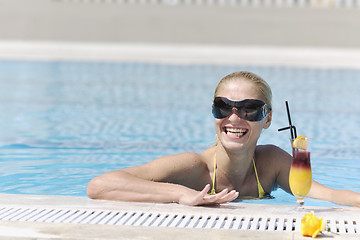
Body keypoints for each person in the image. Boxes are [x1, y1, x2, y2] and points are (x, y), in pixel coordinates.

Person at [87, 71, 360, 207]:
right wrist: (181, 194)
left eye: (249, 108)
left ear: (267, 119)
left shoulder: (272, 163)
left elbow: (330, 194)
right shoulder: (194, 166)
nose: (234, 117)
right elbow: (100, 186)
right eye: (223, 106)